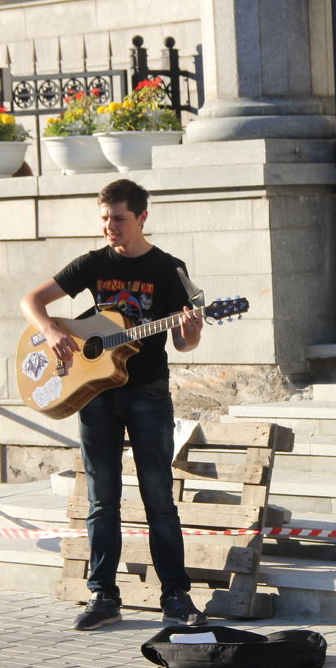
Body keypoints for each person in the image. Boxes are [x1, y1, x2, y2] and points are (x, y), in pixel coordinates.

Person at [19, 178, 207, 631]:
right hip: (97, 393)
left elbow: (184, 344)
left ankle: (176, 597)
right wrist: (52, 331)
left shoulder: (169, 269)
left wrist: (194, 326)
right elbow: (33, 300)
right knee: (103, 501)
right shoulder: (93, 264)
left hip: (148, 394)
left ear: (142, 217)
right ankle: (103, 595)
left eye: (118, 218)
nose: (110, 227)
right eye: (104, 218)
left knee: (159, 499)